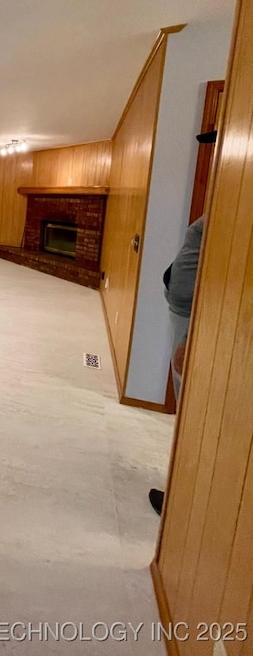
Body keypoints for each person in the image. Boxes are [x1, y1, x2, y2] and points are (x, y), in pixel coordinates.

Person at [148, 127, 216, 516]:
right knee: (189, 407)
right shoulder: (231, 196)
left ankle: (187, 499)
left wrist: (193, 338)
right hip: (187, 313)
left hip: (197, 321)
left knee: (194, 407)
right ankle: (185, 489)